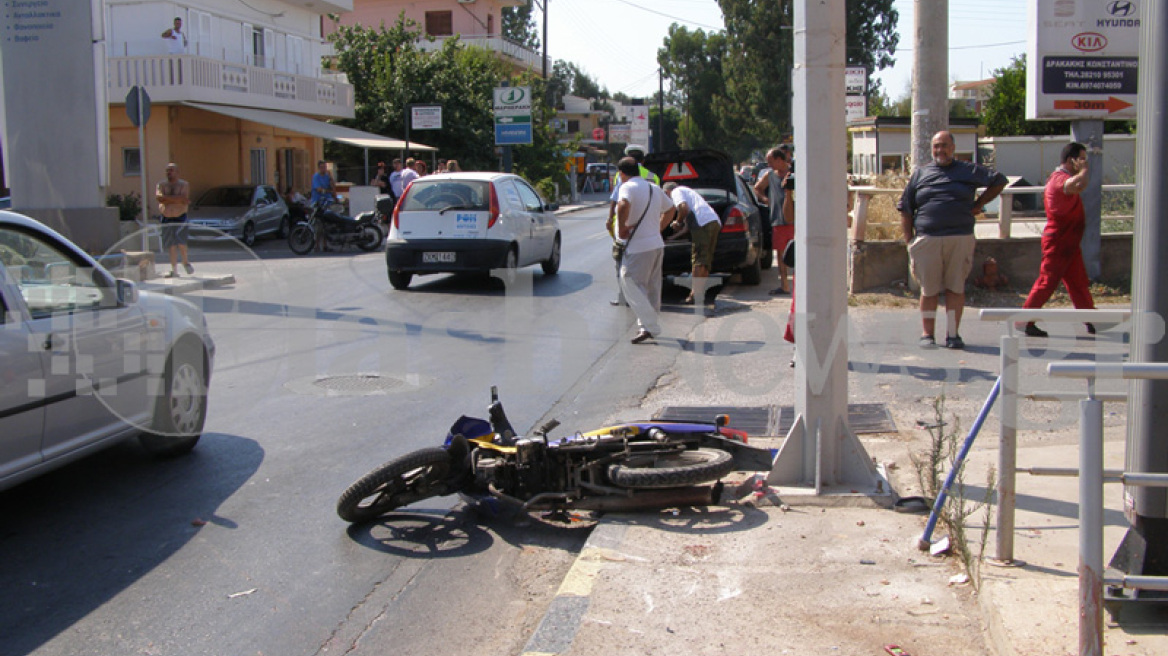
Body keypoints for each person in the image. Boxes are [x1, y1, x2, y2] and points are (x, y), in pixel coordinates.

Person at [898, 130, 1007, 350]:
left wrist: (978, 204)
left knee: (955, 288)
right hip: (928, 239)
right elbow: (905, 208)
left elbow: (998, 180)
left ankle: (952, 335)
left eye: (945, 145)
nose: (940, 150)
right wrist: (910, 241)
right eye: (936, 146)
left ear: (953, 148)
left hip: (960, 237)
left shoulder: (968, 170)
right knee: (928, 290)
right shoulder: (920, 175)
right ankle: (927, 334)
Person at [1019, 141, 1096, 338]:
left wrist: (1083, 171)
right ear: (1072, 160)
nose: (1085, 162)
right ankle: (1024, 321)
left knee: (1078, 282)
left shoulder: (1066, 177)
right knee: (1047, 282)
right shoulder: (1059, 179)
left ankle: (1093, 321)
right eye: (1082, 158)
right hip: (1059, 241)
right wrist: (1085, 169)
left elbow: (1080, 185)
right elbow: (1077, 185)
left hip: (1069, 243)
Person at [614, 157, 676, 344]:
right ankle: (646, 327)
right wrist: (659, 228)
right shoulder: (653, 188)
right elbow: (671, 209)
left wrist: (623, 228)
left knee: (630, 283)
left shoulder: (627, 187)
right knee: (652, 287)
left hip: (638, 247)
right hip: (656, 245)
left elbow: (623, 204)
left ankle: (651, 326)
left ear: (622, 173)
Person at [606, 144, 660, 307]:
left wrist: (611, 219)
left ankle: (625, 296)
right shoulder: (653, 176)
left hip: (625, 227)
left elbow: (617, 200)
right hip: (648, 227)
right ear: (643, 160)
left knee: (621, 261)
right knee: (648, 270)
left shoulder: (621, 176)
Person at [663, 182, 721, 305]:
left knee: (698, 260)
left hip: (702, 225)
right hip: (713, 222)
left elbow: (683, 208)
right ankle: (699, 293)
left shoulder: (676, 192)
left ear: (667, 192)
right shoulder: (689, 194)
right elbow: (686, 228)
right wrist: (672, 238)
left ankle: (695, 295)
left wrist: (677, 222)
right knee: (705, 260)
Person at [754, 146, 793, 295]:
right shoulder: (770, 175)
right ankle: (784, 285)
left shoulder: (794, 172)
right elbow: (757, 188)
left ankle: (799, 285)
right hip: (778, 220)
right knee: (781, 254)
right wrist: (766, 200)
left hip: (795, 221)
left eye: (770, 161)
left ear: (779, 159)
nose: (768, 165)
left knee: (798, 254)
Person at [156, 163, 193, 277]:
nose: (169, 172)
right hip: (166, 217)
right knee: (170, 244)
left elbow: (184, 198)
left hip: (180, 216)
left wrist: (167, 199)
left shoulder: (183, 184)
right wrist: (176, 199)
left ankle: (185, 261)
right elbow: (159, 198)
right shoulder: (161, 184)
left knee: (181, 242)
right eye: (167, 170)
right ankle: (174, 270)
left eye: (171, 170)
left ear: (177, 172)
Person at [310, 161, 335, 252]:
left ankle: (325, 245)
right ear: (318, 168)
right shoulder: (316, 177)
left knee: (326, 225)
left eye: (325, 167)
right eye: (322, 167)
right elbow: (319, 189)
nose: (323, 169)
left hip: (327, 203)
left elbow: (333, 188)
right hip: (318, 203)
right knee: (318, 225)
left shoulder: (327, 177)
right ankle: (316, 245)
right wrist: (327, 191)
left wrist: (331, 178)